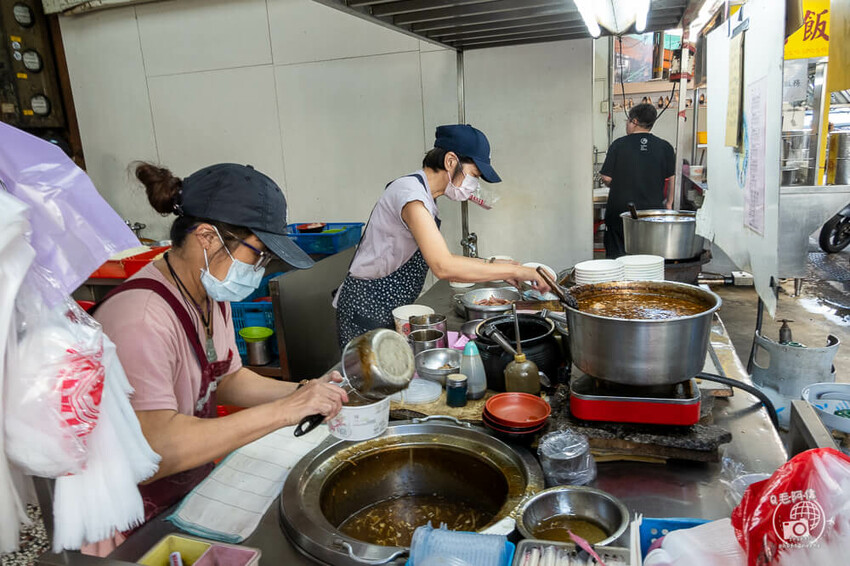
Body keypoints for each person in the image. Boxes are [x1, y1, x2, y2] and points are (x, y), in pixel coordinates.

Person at [91, 163, 348, 533]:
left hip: (186, 490)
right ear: (207, 237)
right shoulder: (141, 319)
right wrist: (285, 410)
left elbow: (226, 379)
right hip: (132, 519)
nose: (261, 268)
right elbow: (153, 451)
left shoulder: (207, 290)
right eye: (257, 253)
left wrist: (308, 391)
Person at [335, 124, 551, 347]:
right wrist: (520, 270)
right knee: (366, 380)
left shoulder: (425, 197)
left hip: (387, 305)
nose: (473, 185)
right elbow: (443, 266)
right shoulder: (411, 197)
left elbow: (442, 256)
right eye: (473, 175)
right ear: (450, 161)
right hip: (367, 306)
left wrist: (493, 264)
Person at [599, 103, 675, 258]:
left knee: (617, 259)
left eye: (627, 121)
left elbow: (606, 177)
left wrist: (621, 182)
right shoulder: (665, 147)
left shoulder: (618, 145)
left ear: (633, 122)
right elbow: (673, 177)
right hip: (651, 213)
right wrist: (668, 204)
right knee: (648, 258)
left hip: (620, 212)